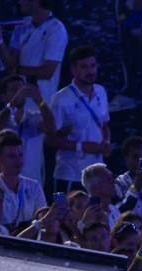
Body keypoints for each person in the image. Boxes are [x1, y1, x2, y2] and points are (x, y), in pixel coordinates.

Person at [48, 45, 112, 194]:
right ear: (73, 70)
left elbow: (104, 125)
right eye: (84, 67)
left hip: (97, 175)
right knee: (65, 215)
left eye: (93, 66)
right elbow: (50, 140)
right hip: (69, 175)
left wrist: (107, 143)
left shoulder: (101, 92)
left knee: (97, 216)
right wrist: (80, 146)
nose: (91, 71)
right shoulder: (60, 100)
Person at [0, 0, 68, 103]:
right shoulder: (21, 25)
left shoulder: (57, 29)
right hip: (19, 104)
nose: (19, 2)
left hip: (42, 105)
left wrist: (16, 71)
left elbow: (47, 72)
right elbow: (9, 63)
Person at [0, 75, 56, 187]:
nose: (19, 93)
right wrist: (14, 102)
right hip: (2, 183)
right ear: (3, 97)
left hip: (32, 182)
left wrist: (40, 101)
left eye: (21, 89)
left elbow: (51, 129)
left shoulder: (34, 117)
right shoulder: (1, 118)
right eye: (13, 90)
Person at [0, 130, 46, 232]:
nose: (18, 161)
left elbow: (44, 221)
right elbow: (6, 229)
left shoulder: (34, 186)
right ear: (0, 158)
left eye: (20, 155)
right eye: (12, 156)